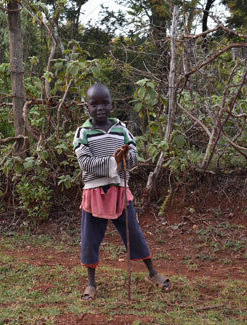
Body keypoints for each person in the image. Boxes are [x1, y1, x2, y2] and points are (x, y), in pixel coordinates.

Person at [73, 84, 171, 301]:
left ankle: (152, 273)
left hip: (119, 190)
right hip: (94, 192)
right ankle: (91, 283)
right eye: (94, 104)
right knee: (89, 239)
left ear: (112, 104)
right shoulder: (83, 132)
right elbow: (85, 163)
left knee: (134, 232)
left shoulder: (121, 128)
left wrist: (125, 157)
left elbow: (134, 156)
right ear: (87, 106)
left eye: (105, 103)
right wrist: (114, 161)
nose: (100, 108)